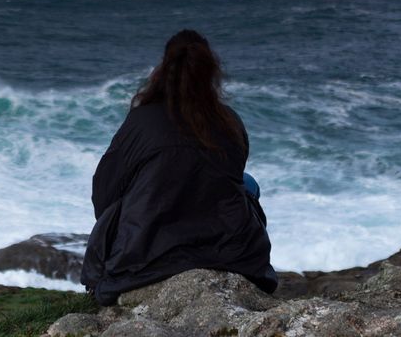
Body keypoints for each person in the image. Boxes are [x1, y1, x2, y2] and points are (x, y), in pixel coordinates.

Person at [81, 30, 277, 305]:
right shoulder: (229, 121)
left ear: (163, 70)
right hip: (231, 248)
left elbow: (104, 194)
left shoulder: (142, 121)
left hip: (146, 251)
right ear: (211, 73)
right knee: (248, 183)